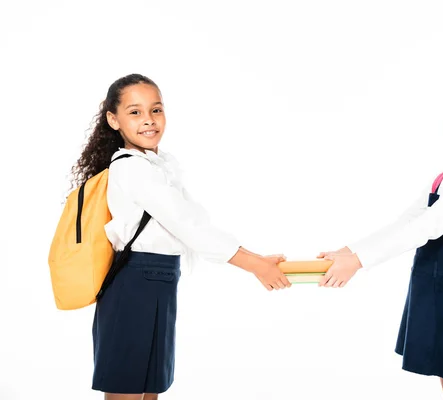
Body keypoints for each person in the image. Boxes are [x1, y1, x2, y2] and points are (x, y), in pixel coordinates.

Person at [68, 73, 291, 400]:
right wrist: (255, 264)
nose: (149, 120)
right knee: (127, 387)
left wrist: (255, 258)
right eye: (135, 112)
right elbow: (189, 226)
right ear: (113, 120)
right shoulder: (132, 168)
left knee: (151, 387)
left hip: (160, 280)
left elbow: (194, 223)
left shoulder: (158, 166)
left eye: (156, 110)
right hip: (134, 283)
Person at [318, 73, 443, 400]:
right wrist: (348, 251)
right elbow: (407, 221)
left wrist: (358, 261)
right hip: (439, 287)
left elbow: (426, 228)